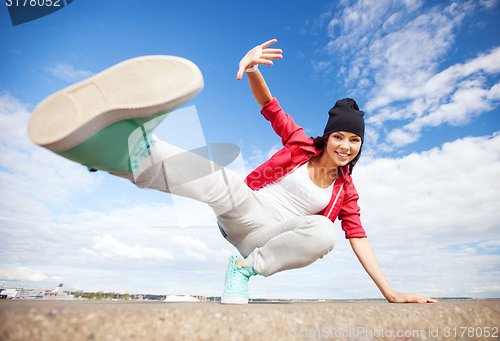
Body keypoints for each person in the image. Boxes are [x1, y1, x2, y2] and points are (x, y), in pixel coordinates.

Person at [28, 39, 437, 305]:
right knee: (219, 179)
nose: (346, 146)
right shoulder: (299, 144)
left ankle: (241, 271)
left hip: (267, 240)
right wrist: (253, 67)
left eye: (355, 140)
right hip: (245, 209)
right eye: (340, 137)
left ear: (360, 146)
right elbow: (271, 108)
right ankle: (121, 149)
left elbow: (359, 239)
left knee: (324, 232)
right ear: (328, 137)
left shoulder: (346, 193)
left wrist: (391, 293)